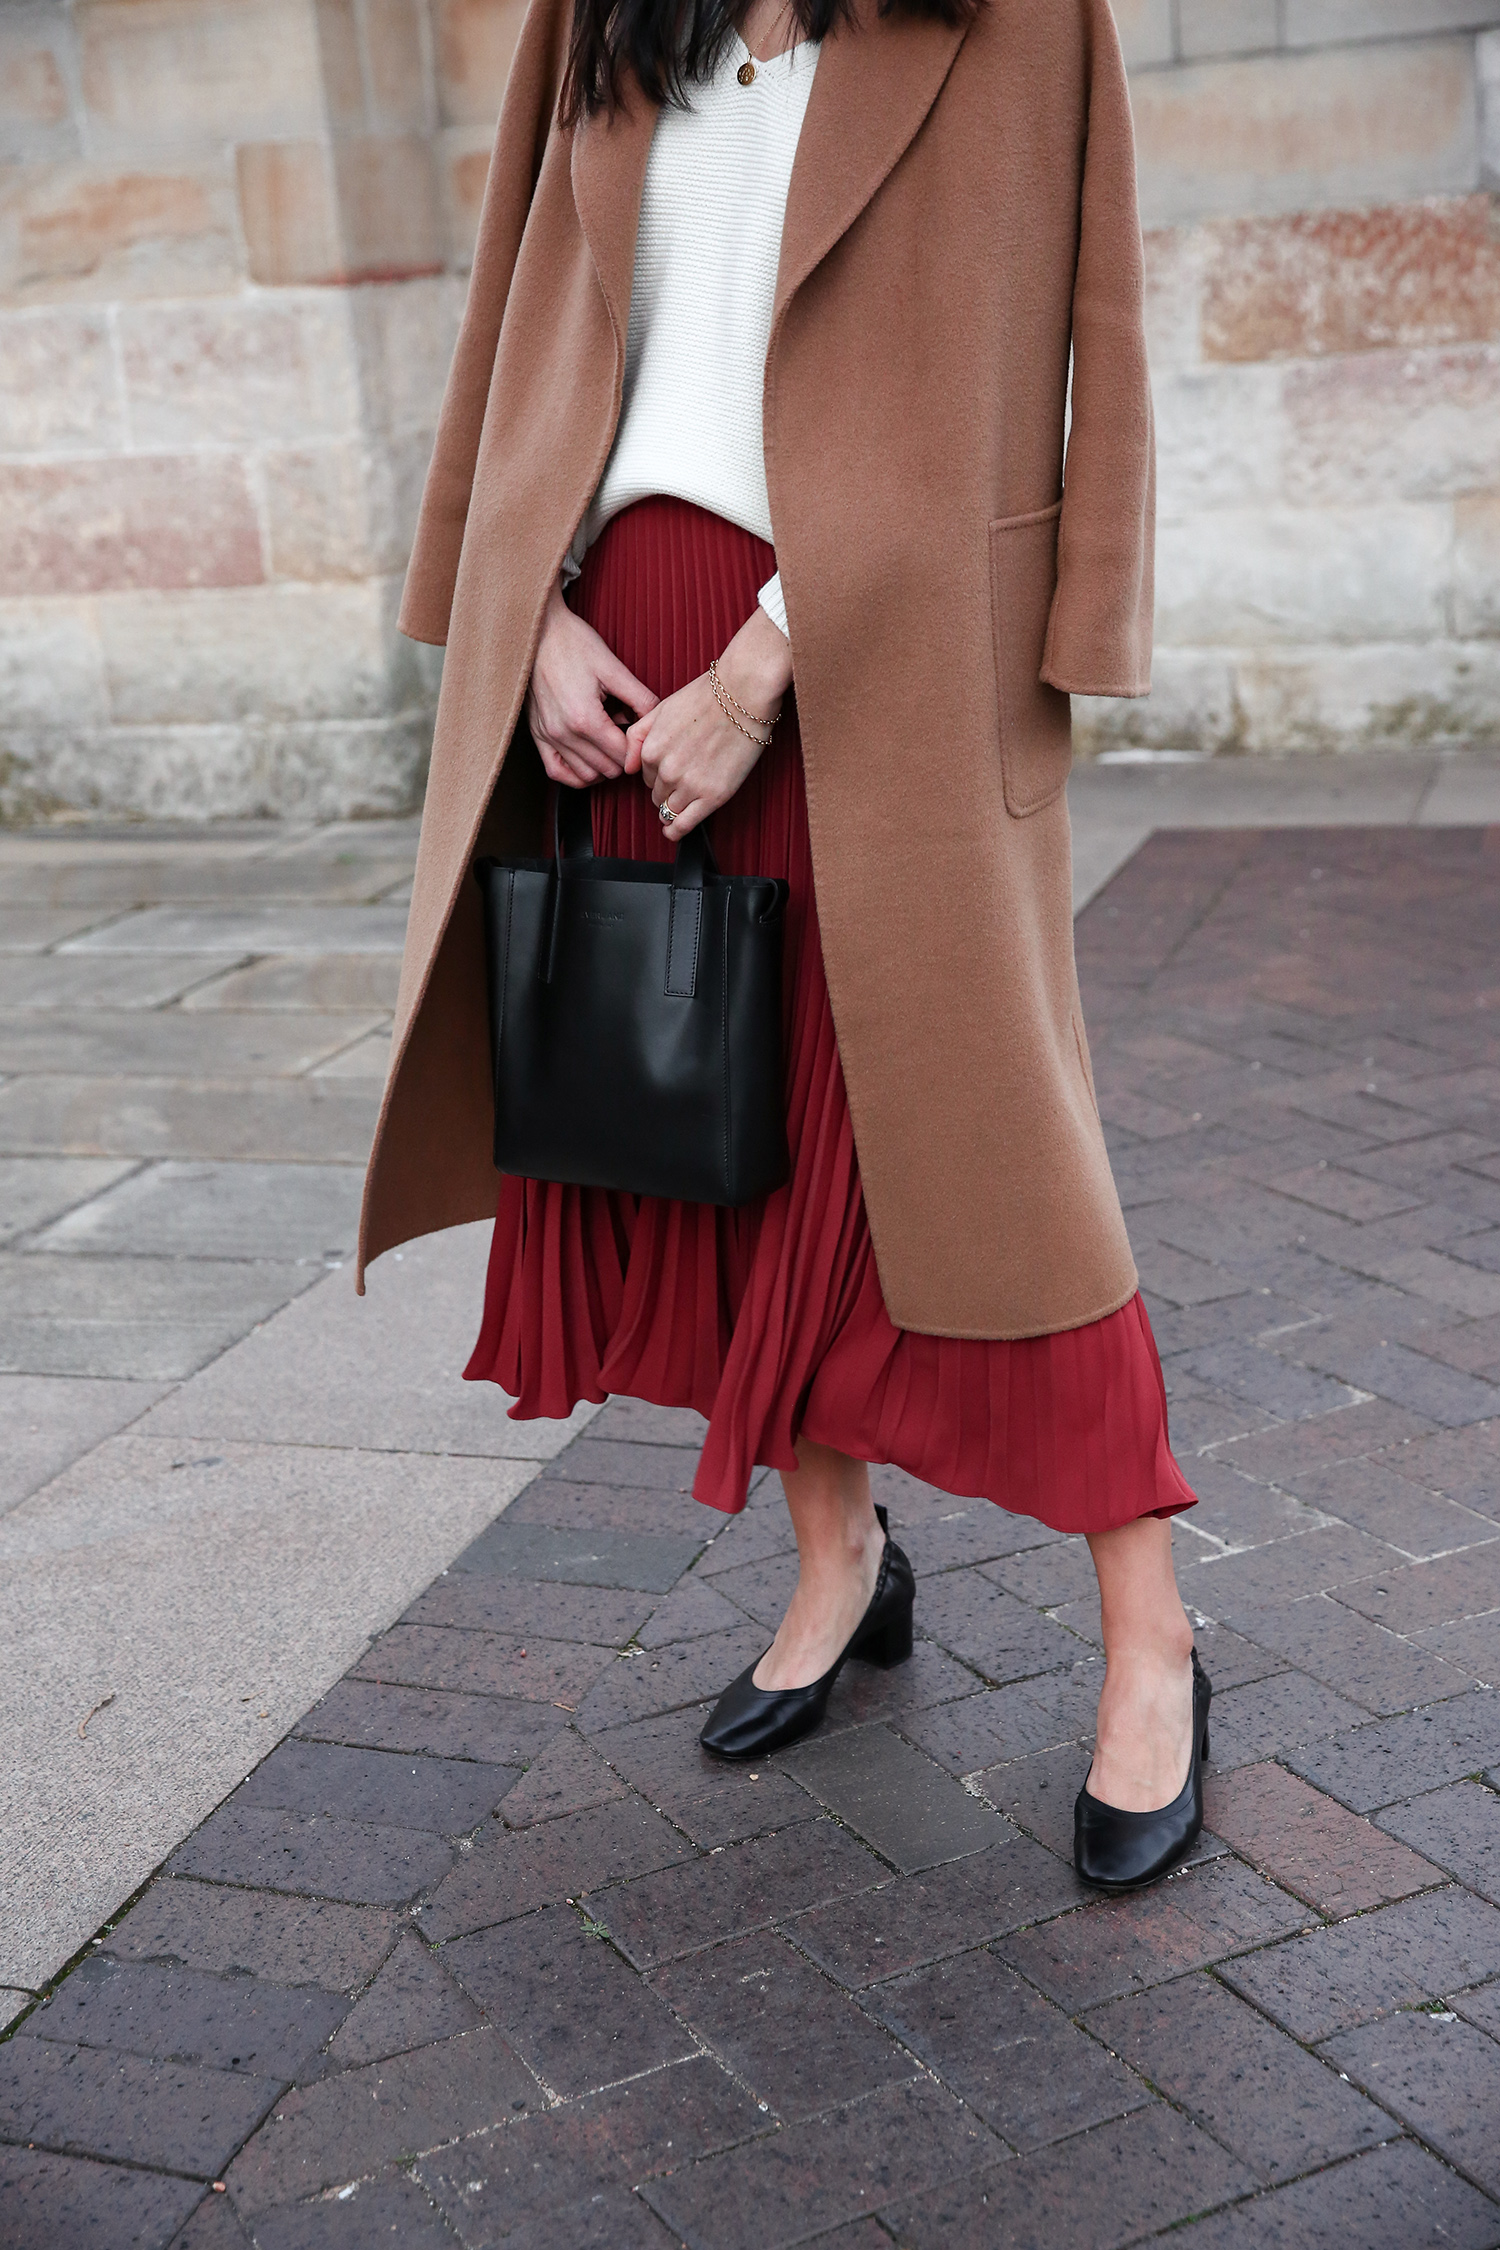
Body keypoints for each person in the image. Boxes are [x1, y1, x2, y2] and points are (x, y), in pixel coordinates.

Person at [360, 0, 1211, 1891]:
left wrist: (777, 663)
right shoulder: (605, 15)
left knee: (1000, 1173)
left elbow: (1093, 335)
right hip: (624, 642)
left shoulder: (1012, 20)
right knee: (723, 1151)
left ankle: (1151, 1645)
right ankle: (839, 1559)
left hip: (882, 659)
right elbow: (518, 317)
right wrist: (526, 614)